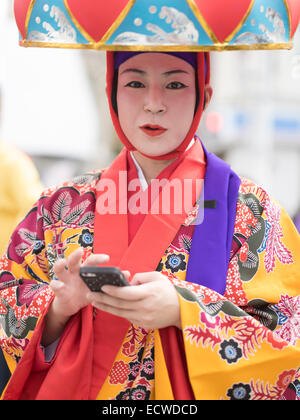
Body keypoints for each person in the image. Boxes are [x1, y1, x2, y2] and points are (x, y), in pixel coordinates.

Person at [0, 51, 299, 400]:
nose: (153, 103)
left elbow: (288, 341)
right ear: (111, 92)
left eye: (175, 84)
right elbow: (8, 300)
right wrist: (56, 308)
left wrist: (185, 310)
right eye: (134, 83)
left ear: (204, 96)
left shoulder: (253, 211)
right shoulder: (60, 206)